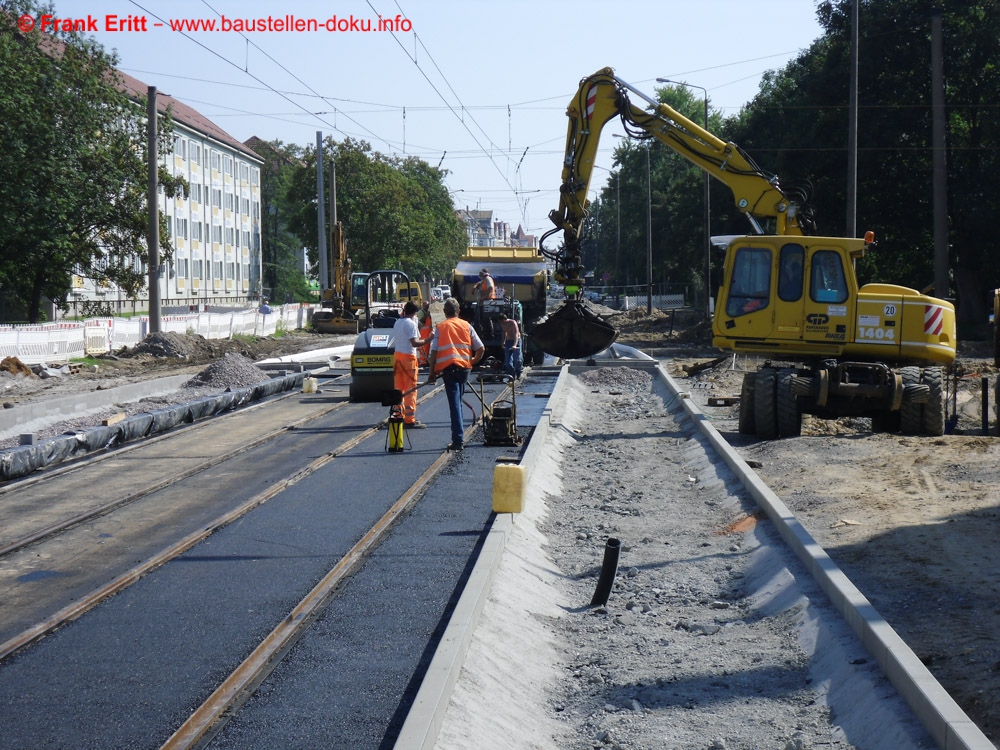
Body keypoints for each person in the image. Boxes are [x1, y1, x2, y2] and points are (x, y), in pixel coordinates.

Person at [427, 297, 485, 451]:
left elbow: (434, 352)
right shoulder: (467, 326)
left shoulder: (441, 327)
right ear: (458, 311)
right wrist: (471, 362)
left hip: (450, 370)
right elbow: (481, 349)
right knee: (458, 402)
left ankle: (458, 440)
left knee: (455, 405)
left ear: (445, 312)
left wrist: (431, 372)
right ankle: (458, 437)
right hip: (464, 370)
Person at [391, 301, 427, 429]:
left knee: (398, 389)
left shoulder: (398, 322)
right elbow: (415, 343)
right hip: (408, 360)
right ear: (415, 312)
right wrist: (429, 339)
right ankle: (410, 419)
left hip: (397, 359)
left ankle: (398, 415)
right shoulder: (410, 324)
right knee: (410, 389)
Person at [500, 312, 522, 379]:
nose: (502, 323)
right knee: (508, 361)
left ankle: (518, 373)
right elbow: (504, 332)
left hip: (516, 341)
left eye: (503, 321)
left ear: (505, 319)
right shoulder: (502, 324)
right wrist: (503, 342)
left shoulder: (513, 323)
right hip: (509, 341)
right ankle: (511, 375)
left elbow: (516, 334)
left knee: (517, 360)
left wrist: (515, 345)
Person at [416, 299, 434, 367]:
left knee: (427, 347)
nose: (427, 306)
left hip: (427, 333)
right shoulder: (421, 312)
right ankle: (423, 361)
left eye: (428, 305)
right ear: (423, 305)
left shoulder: (427, 312)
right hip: (423, 333)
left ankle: (425, 360)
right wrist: (427, 315)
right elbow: (420, 322)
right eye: (426, 305)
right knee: (424, 347)